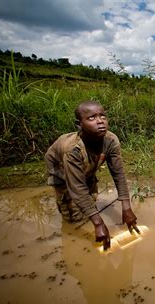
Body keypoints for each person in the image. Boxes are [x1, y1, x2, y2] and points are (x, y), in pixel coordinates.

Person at [45, 100, 138, 250]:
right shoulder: (72, 150)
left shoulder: (111, 140)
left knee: (91, 195)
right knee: (73, 214)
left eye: (103, 116)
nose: (100, 121)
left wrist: (126, 208)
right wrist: (99, 224)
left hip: (86, 165)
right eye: (91, 118)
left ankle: (90, 214)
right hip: (60, 168)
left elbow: (118, 174)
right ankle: (74, 238)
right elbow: (77, 188)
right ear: (79, 124)